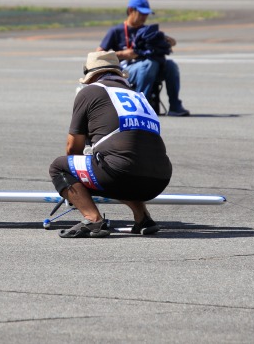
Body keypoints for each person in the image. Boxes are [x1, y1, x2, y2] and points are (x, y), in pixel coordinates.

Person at [49, 51, 173, 238]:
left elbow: (73, 147)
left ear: (91, 75)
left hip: (121, 173)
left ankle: (93, 219)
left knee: (59, 167)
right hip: (160, 179)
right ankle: (143, 218)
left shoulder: (90, 92)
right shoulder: (138, 96)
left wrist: (77, 186)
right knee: (121, 165)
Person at [97, 0, 190, 116]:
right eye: (141, 14)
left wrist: (164, 40)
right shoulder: (116, 31)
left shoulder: (147, 31)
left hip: (150, 68)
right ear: (131, 10)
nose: (145, 17)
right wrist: (122, 54)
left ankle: (175, 106)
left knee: (170, 65)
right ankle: (140, 106)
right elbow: (98, 55)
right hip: (125, 71)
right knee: (149, 64)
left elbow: (173, 42)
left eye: (146, 14)